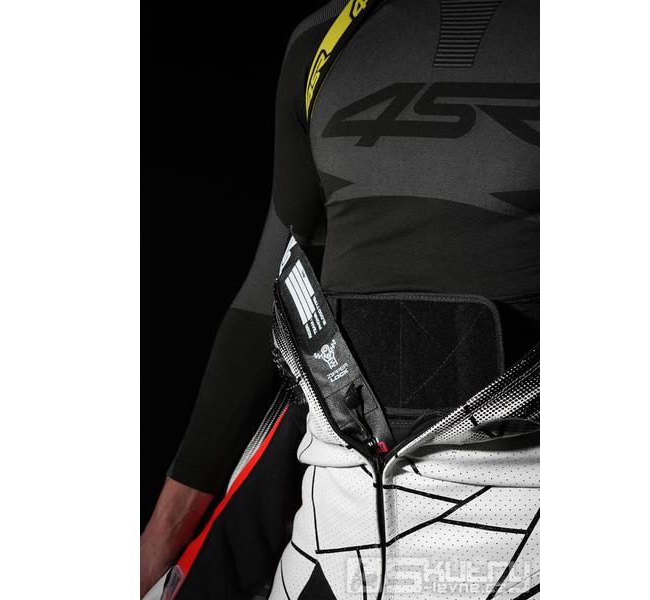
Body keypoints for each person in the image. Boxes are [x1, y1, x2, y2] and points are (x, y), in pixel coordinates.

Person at [141, 0, 539, 597]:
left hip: (524, 514)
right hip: (335, 524)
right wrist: (157, 544)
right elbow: (268, 291)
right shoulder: (328, 36)